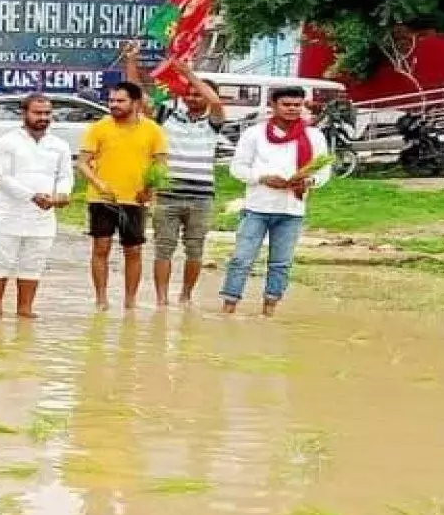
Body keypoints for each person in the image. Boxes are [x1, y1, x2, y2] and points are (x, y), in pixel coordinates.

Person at [122, 47, 225, 306]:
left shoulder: (214, 122)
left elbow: (215, 103)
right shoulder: (168, 116)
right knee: (163, 249)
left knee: (195, 250)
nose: (192, 96)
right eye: (188, 92)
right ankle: (161, 300)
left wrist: (188, 73)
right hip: (168, 195)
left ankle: (186, 295)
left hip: (201, 197)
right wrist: (131, 61)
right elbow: (138, 98)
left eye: (197, 92)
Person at [221, 86, 332, 317]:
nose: (292, 109)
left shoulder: (314, 136)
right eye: (286, 104)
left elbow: (324, 171)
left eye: (297, 105)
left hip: (291, 209)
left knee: (281, 263)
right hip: (257, 207)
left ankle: (269, 310)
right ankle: (228, 308)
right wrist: (262, 178)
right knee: (241, 259)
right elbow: (237, 167)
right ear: (273, 105)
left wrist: (308, 181)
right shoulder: (255, 134)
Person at [76, 80, 167, 311]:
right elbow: (83, 163)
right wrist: (98, 183)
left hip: (135, 199)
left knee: (134, 250)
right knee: (100, 247)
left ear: (135, 103)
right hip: (102, 198)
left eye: (120, 101)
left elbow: (160, 165)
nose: (114, 105)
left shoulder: (152, 129)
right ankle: (101, 299)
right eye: (111, 101)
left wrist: (149, 189)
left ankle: (130, 301)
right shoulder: (99, 127)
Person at [0, 93, 73, 319]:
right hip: (8, 213)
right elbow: (3, 179)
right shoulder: (5, 143)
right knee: (0, 262)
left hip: (43, 215)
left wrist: (62, 194)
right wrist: (33, 196)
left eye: (47, 113)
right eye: (37, 113)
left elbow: (65, 176)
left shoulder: (59, 145)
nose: (43, 117)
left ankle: (25, 309)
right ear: (23, 114)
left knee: (33, 263)